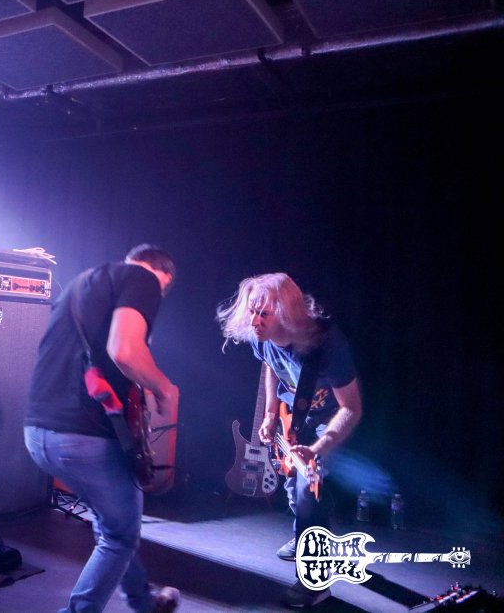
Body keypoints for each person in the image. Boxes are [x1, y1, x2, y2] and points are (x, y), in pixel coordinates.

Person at [24, 244, 181, 613]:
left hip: (38, 434)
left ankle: (143, 601)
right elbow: (124, 351)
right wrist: (165, 389)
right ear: (163, 277)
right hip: (84, 438)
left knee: (111, 522)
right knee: (121, 534)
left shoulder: (82, 284)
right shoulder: (143, 279)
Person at [216, 273, 363, 608]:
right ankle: (303, 537)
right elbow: (269, 365)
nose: (254, 321)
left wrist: (317, 449)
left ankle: (316, 582)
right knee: (291, 482)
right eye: (252, 312)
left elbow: (352, 408)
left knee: (308, 492)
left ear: (287, 314)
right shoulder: (260, 337)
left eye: (264, 314)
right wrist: (271, 413)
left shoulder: (328, 345)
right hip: (293, 415)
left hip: (328, 421)